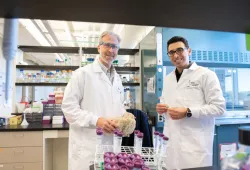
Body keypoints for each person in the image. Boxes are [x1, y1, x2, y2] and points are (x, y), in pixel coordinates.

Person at [156, 36, 226, 169]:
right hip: (171, 149)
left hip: (196, 150)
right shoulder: (168, 79)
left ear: (189, 51)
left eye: (180, 50)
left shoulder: (206, 75)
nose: (176, 55)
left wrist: (188, 111)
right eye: (171, 52)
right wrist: (162, 108)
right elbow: (167, 103)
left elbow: (219, 108)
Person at [62, 31, 126, 170]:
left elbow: (118, 106)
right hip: (87, 147)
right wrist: (97, 121)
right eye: (107, 45)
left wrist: (125, 116)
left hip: (111, 146)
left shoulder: (118, 79)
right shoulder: (82, 74)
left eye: (114, 46)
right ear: (99, 47)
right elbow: (68, 109)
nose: (111, 50)